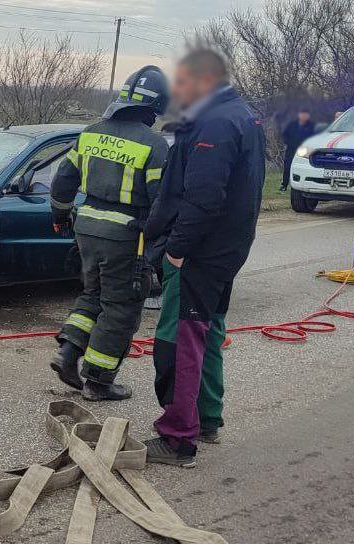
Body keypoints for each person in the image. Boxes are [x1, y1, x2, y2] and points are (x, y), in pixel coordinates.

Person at [142, 49, 266, 466]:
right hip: (228, 248)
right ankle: (207, 417)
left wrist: (177, 249)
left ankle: (178, 437)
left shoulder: (215, 123)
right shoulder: (240, 115)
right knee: (208, 331)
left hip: (201, 252)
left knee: (179, 340)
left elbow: (204, 197)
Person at [49, 66, 170, 402]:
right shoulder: (154, 145)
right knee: (121, 307)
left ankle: (68, 353)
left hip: (86, 229)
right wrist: (161, 242)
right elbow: (160, 198)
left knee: (92, 294)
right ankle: (98, 381)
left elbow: (62, 181)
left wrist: (59, 214)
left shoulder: (90, 133)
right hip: (125, 237)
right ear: (155, 107)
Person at [279, 107, 315, 192]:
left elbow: (313, 138)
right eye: (302, 114)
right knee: (288, 167)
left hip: (304, 151)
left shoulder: (311, 126)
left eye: (305, 115)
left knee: (303, 167)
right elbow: (284, 135)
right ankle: (284, 185)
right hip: (291, 149)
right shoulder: (292, 124)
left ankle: (303, 185)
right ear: (299, 115)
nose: (304, 116)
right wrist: (288, 142)